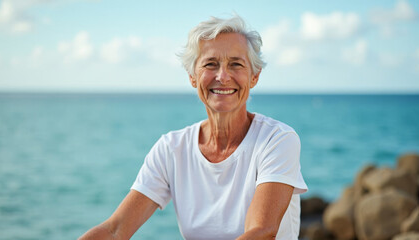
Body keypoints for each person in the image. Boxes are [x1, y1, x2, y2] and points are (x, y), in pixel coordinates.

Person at [79, 15, 307, 240]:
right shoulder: (171, 148)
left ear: (254, 77)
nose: (223, 76)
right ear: (193, 77)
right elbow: (115, 230)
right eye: (211, 64)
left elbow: (260, 232)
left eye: (236, 64)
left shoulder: (277, 140)